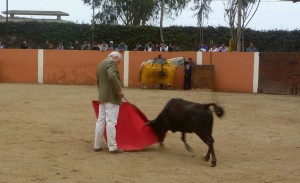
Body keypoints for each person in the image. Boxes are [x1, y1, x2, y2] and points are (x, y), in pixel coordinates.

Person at [94, 51, 124, 154]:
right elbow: (111, 76)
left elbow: (99, 81)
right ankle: (112, 147)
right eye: (118, 62)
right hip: (111, 96)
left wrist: (101, 93)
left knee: (100, 120)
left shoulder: (100, 64)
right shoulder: (110, 63)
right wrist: (119, 90)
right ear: (115, 57)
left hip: (102, 96)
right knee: (111, 122)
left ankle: (97, 145)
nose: (117, 64)